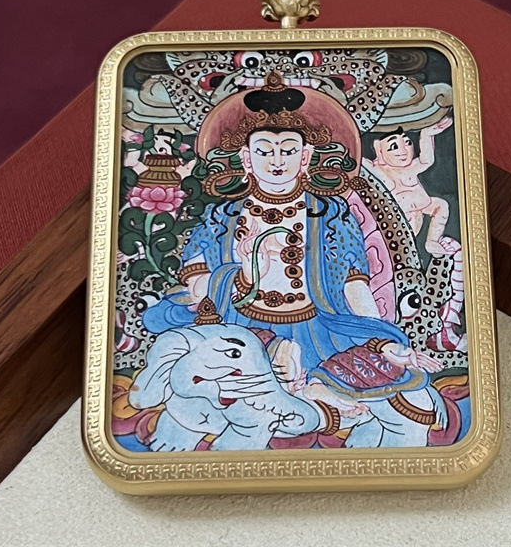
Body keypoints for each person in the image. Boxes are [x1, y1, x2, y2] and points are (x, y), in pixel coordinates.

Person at [142, 72, 442, 419]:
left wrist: (381, 337)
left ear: (306, 156)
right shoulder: (222, 217)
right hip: (239, 324)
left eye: (288, 150)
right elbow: (198, 291)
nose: (277, 161)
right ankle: (297, 379)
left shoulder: (331, 215)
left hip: (320, 328)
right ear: (246, 158)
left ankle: (312, 384)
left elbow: (355, 288)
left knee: (391, 363)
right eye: (264, 151)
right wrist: (245, 276)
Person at [367, 117, 458, 257]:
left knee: (441, 205)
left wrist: (426, 135)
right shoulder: (377, 169)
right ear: (379, 150)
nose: (404, 150)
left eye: (407, 143)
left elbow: (426, 160)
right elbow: (356, 161)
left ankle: (432, 241)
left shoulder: (411, 168)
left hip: (417, 214)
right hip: (392, 222)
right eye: (394, 146)